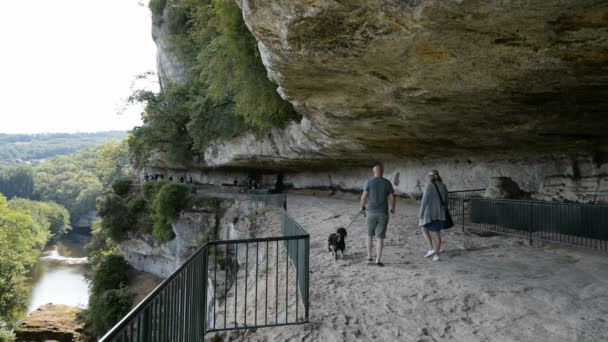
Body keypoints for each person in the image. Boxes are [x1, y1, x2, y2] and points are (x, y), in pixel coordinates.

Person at [360, 163, 395, 266]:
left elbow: (364, 197)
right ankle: (378, 260)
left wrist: (362, 207)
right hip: (383, 213)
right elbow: (392, 197)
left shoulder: (368, 182)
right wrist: (393, 208)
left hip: (371, 213)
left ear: (373, 172)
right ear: (382, 172)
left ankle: (369, 256)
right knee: (380, 237)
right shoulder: (387, 183)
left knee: (369, 235)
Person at [419, 170, 448, 261]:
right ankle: (434, 252)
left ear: (431, 176)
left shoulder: (429, 185)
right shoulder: (443, 186)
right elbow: (447, 201)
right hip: (440, 214)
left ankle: (435, 252)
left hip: (429, 214)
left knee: (425, 229)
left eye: (429, 176)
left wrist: (421, 213)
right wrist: (444, 210)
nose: (428, 177)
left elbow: (424, 201)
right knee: (435, 233)